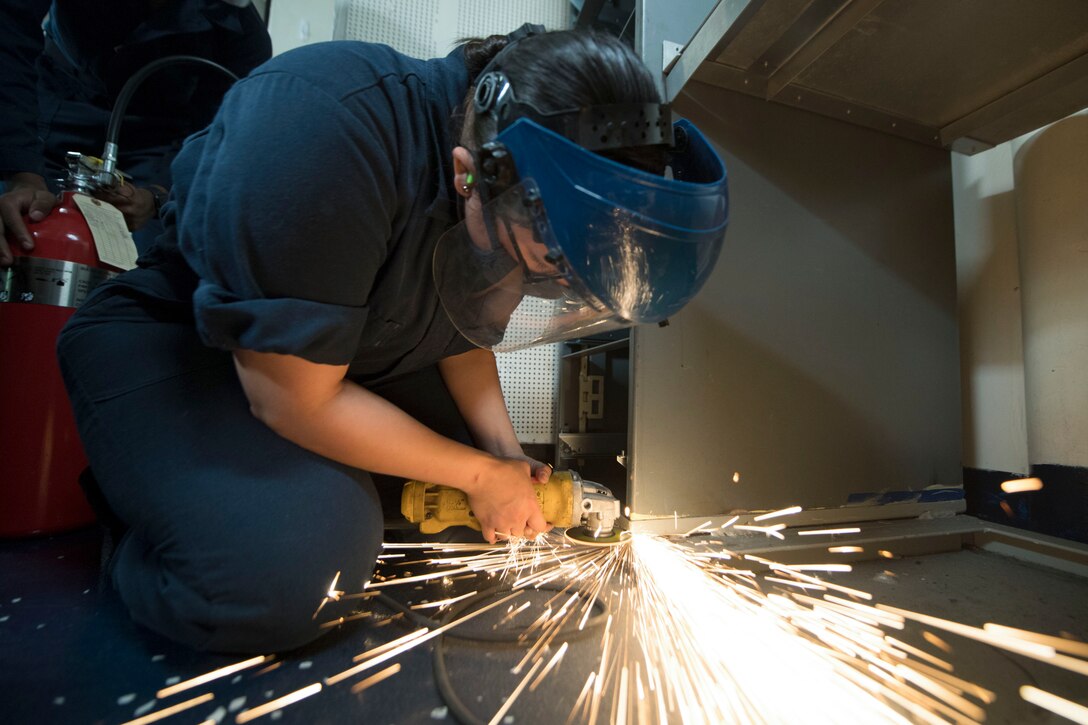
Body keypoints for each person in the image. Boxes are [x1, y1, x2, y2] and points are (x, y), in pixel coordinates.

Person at [56, 24, 729, 653]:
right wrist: (475, 472)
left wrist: (502, 455)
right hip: (188, 346)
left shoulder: (508, 187)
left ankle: (301, 493)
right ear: (473, 172)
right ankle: (151, 529)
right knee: (295, 569)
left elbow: (455, 328)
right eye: (549, 265)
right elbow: (293, 401)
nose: (549, 285)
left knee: (474, 514)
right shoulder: (326, 130)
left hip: (343, 359)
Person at [0, 0, 272, 263]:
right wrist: (23, 174)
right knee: (19, 228)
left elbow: (210, 134)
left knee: (143, 262)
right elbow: (10, 42)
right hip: (46, 115)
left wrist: (157, 195)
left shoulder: (241, 35)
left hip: (154, 150)